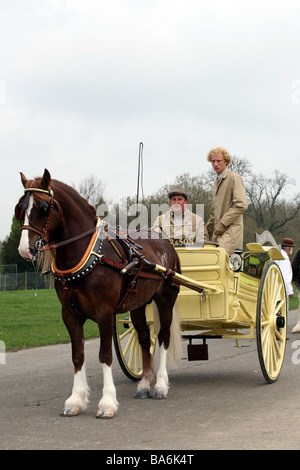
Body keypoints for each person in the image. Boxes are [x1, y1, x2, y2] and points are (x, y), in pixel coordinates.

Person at [204, 147, 248, 255]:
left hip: (231, 231)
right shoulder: (217, 182)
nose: (215, 164)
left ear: (226, 161)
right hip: (218, 232)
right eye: (213, 161)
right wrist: (204, 231)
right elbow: (214, 213)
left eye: (218, 161)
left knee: (218, 257)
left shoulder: (234, 178)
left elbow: (241, 205)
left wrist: (223, 223)